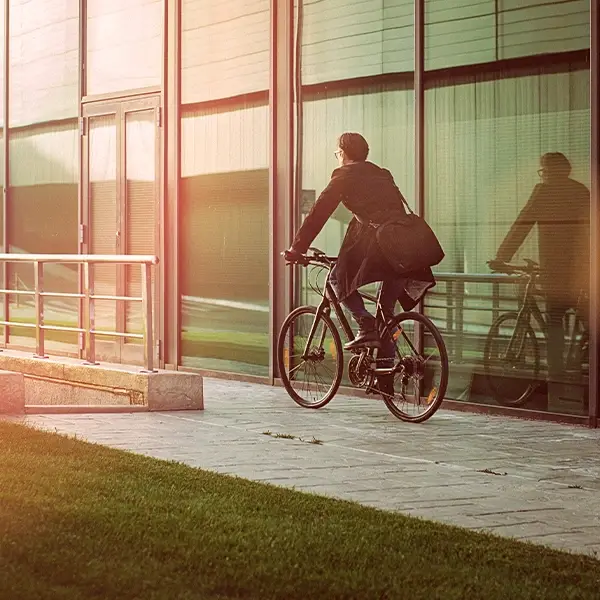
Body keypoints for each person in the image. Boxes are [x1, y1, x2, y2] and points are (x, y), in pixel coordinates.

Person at [284, 132, 435, 397]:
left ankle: (364, 326)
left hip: (376, 244)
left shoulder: (344, 175)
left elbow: (319, 212)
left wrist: (298, 248)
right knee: (386, 313)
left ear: (343, 152)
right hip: (404, 248)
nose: (338, 157)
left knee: (335, 280)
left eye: (337, 153)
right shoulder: (382, 174)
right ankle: (384, 380)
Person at [491, 152, 590, 405]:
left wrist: (502, 257)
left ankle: (558, 383)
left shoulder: (544, 192)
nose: (543, 175)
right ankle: (579, 364)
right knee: (589, 324)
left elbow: (521, 225)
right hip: (583, 272)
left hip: (556, 274)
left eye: (543, 170)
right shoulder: (582, 192)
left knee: (555, 327)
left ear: (552, 172)